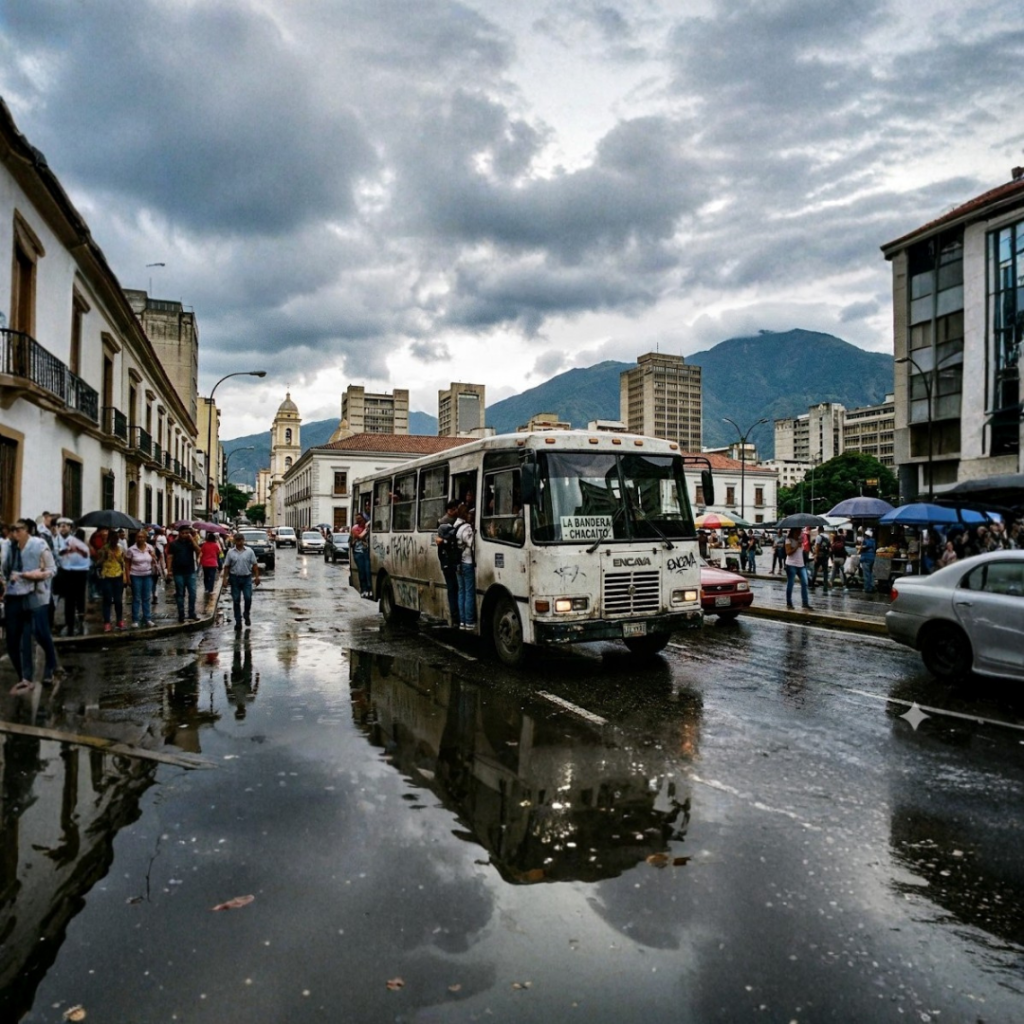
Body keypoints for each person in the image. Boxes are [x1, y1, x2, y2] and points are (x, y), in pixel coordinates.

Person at [2, 518, 58, 692]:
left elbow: (52, 569)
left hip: (37, 596)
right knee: (19, 639)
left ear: (28, 531)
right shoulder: (9, 548)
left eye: (19, 529)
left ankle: (51, 666)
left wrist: (33, 575)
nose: (15, 533)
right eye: (13, 530)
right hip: (15, 597)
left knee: (40, 633)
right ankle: (26, 677)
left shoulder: (39, 544)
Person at [222, 531, 261, 630]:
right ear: (234, 541)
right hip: (234, 578)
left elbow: (255, 565)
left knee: (248, 598)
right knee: (236, 600)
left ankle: (246, 614)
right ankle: (238, 621)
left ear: (243, 541)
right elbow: (226, 566)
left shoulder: (249, 551)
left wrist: (257, 577)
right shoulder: (230, 552)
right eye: (237, 540)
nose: (239, 543)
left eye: (241, 540)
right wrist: (225, 579)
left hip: (247, 578)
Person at [125, 530, 164, 626]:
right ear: (136, 538)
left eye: (142, 537)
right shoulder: (131, 549)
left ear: (146, 538)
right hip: (135, 575)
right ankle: (135, 620)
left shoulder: (150, 548)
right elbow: (127, 564)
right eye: (139, 537)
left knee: (147, 597)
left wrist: (153, 556)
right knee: (137, 598)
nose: (140, 539)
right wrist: (127, 577)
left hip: (147, 575)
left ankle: (147, 618)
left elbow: (154, 561)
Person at [60, 527, 92, 635]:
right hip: (79, 574)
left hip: (71, 573)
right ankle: (78, 621)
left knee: (71, 599)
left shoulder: (73, 546)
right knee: (79, 598)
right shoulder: (83, 547)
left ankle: (71, 623)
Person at [435, 499, 462, 627]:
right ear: (451, 510)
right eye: (456, 508)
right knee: (454, 588)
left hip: (447, 562)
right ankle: (456, 616)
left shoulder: (446, 523)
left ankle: (456, 616)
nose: (458, 511)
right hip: (450, 562)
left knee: (453, 589)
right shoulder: (447, 523)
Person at [95, 528, 128, 631]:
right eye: (113, 539)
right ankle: (107, 622)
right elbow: (98, 563)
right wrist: (103, 557)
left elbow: (124, 563)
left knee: (118, 600)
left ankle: (119, 620)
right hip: (107, 576)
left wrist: (126, 577)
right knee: (107, 600)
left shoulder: (121, 548)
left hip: (118, 576)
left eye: (116, 539)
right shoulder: (104, 549)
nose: (115, 541)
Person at [167, 525, 201, 623]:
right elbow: (170, 557)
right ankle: (181, 614)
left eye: (187, 533)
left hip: (190, 571)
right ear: (179, 533)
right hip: (178, 572)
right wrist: (169, 571)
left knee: (193, 593)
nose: (185, 535)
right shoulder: (174, 544)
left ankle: (192, 613)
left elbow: (198, 551)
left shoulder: (191, 543)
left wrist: (192, 540)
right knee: (180, 594)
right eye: (183, 533)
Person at [454, 502, 476, 630]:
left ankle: (462, 621)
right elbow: (471, 543)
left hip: (458, 563)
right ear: (465, 514)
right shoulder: (466, 527)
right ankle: (468, 622)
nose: (470, 516)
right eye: (469, 513)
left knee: (461, 592)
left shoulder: (455, 524)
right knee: (469, 592)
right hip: (467, 563)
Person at [784, 527, 811, 610]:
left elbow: (803, 551)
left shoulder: (800, 539)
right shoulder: (789, 540)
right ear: (794, 531)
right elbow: (788, 552)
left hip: (801, 564)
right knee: (790, 584)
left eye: (801, 531)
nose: (800, 532)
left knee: (805, 583)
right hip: (791, 564)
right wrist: (796, 546)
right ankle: (789, 603)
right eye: (799, 530)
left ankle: (805, 603)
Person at [350, 513, 372, 597]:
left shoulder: (367, 526)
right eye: (357, 518)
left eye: (360, 518)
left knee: (367, 571)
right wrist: (366, 530)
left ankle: (369, 588)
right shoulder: (355, 528)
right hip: (358, 553)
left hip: (366, 552)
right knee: (362, 572)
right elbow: (359, 537)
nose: (358, 520)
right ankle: (363, 589)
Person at [199, 531, 222, 597]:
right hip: (213, 563)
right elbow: (219, 553)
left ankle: (206, 588)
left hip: (205, 563)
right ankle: (210, 590)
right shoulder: (215, 545)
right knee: (212, 577)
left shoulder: (204, 545)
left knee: (206, 576)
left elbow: (201, 552)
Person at [859, 528, 877, 594]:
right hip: (872, 558)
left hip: (866, 558)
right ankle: (872, 586)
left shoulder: (866, 541)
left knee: (866, 574)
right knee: (871, 573)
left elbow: (863, 547)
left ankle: (867, 588)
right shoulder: (873, 541)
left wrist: (861, 547)